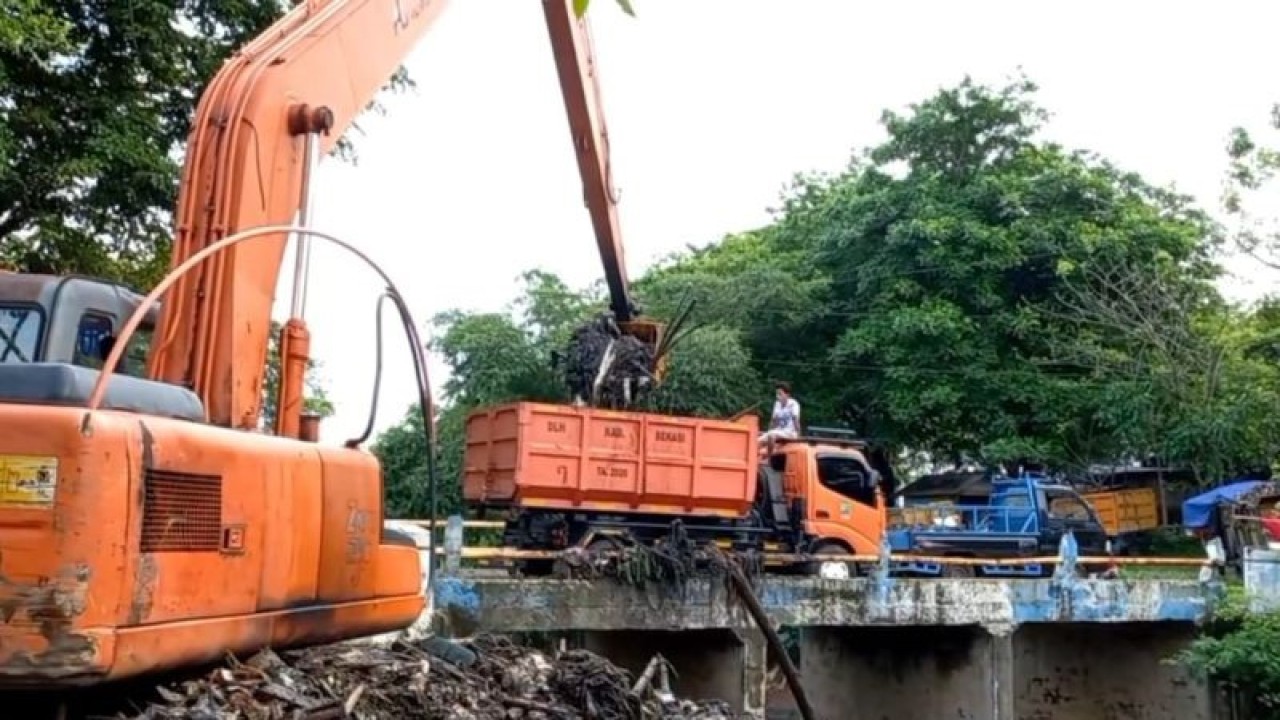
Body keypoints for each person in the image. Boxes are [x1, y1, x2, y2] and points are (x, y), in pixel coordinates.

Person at [759, 381, 801, 450]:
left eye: (780, 394)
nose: (777, 396)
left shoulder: (794, 404)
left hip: (790, 432)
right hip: (780, 431)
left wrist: (798, 435)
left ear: (787, 395)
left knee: (771, 435)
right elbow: (774, 421)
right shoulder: (777, 404)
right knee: (759, 440)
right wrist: (768, 431)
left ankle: (770, 459)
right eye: (777, 394)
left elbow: (796, 420)